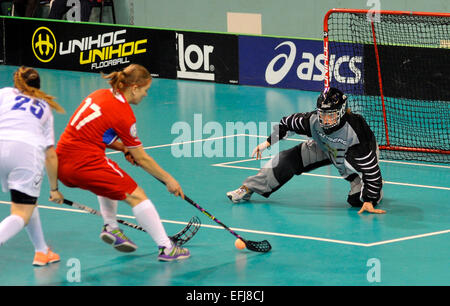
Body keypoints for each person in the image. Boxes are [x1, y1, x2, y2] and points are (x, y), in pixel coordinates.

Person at [56, 63, 190, 261]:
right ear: (134, 88)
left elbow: (102, 135)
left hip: (60, 163)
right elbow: (142, 158)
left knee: (108, 182)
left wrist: (123, 148)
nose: (146, 95)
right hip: (84, 162)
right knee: (138, 196)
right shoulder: (124, 114)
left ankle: (111, 227)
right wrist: (169, 179)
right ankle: (167, 247)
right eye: (145, 90)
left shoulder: (100, 95)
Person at [227, 87, 386, 214]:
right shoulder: (313, 120)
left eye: (331, 115)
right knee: (286, 159)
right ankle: (248, 188)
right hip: (324, 145)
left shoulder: (357, 135)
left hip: (348, 153)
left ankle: (373, 191)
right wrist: (269, 142)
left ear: (342, 112)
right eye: (322, 114)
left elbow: (371, 171)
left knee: (356, 201)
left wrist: (369, 200)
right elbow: (287, 123)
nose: (325, 119)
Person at [0, 66, 65, 266]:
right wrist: (54, 189)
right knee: (21, 213)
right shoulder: (45, 107)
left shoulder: (4, 94)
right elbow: (50, 155)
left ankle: (42, 251)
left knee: (28, 204)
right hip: (26, 156)